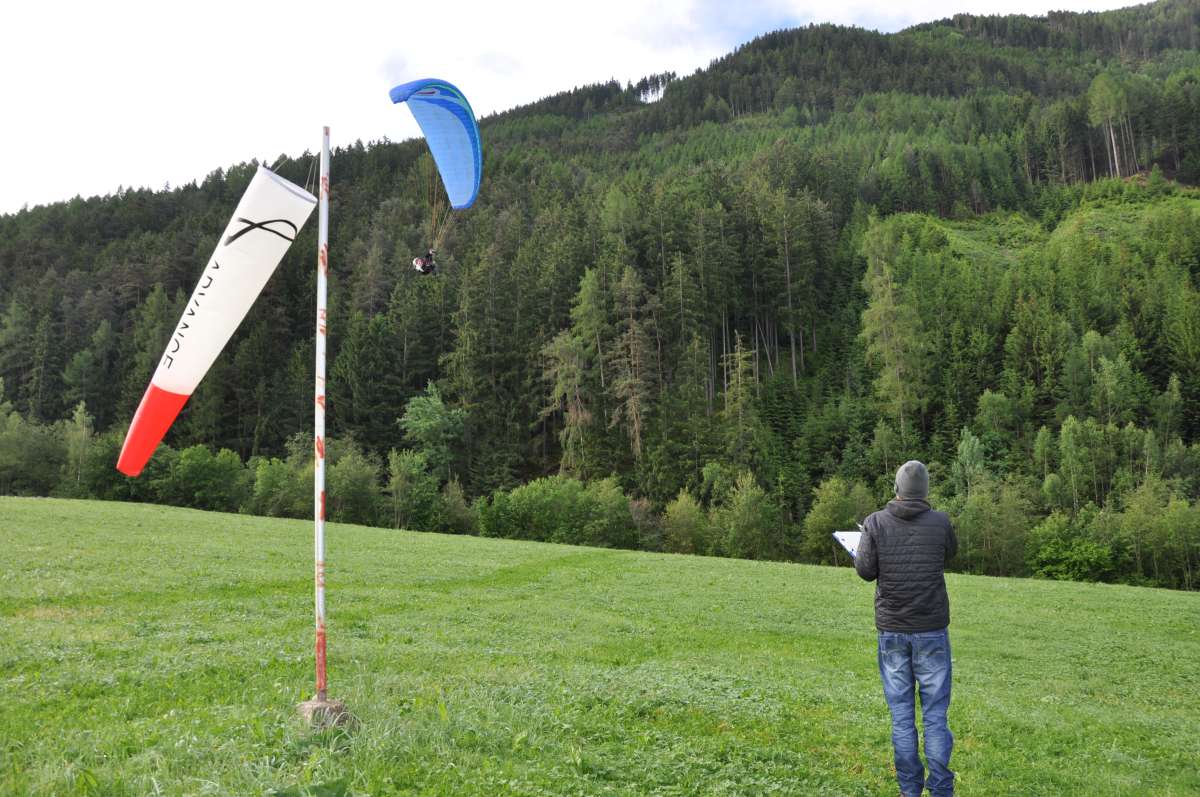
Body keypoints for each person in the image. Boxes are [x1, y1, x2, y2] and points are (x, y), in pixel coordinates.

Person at [855, 460, 958, 797]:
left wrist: (863, 545)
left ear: (897, 488)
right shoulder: (941, 522)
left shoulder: (874, 522)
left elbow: (866, 571)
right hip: (932, 629)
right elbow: (949, 554)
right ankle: (941, 789)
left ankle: (909, 790)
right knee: (935, 716)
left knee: (902, 716)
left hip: (893, 630)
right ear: (925, 490)